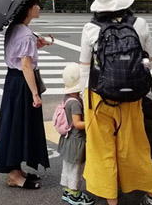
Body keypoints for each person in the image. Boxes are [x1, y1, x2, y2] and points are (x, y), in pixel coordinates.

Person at [79, 0, 152, 205]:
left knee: (102, 149)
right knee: (135, 146)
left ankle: (112, 199)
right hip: (132, 98)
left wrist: (86, 99)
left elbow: (85, 67)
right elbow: (149, 62)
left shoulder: (91, 29)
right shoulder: (139, 24)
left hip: (99, 98)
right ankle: (151, 196)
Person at [0, 0, 52, 189]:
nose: (39, 8)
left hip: (12, 81)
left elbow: (20, 56)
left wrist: (38, 44)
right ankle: (14, 175)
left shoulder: (15, 29)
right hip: (22, 83)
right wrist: (35, 93)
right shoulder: (25, 34)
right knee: (19, 125)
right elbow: (26, 66)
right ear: (28, 10)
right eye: (37, 5)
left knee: (14, 124)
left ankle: (16, 170)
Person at [58, 63, 94, 205]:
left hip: (68, 139)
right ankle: (75, 194)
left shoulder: (67, 98)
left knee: (68, 166)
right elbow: (77, 123)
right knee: (76, 168)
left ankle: (67, 190)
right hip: (76, 141)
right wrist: (92, 123)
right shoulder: (76, 103)